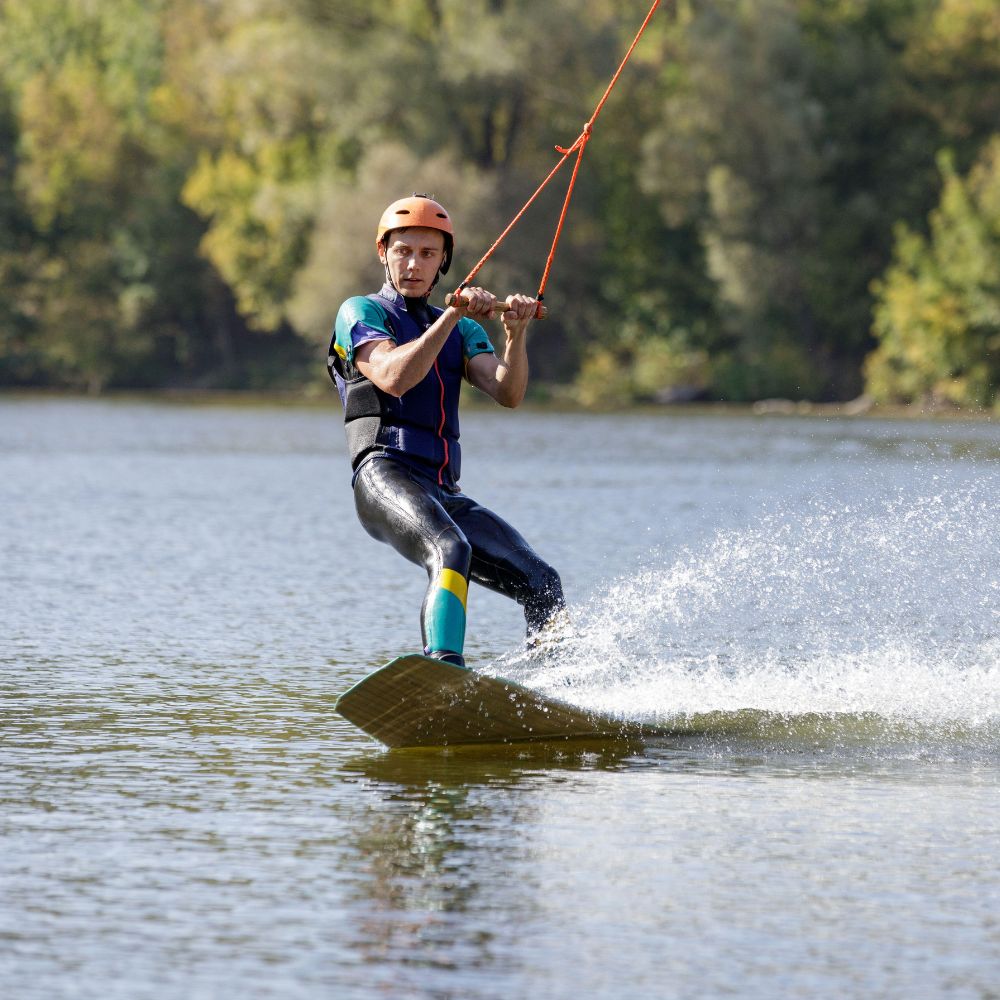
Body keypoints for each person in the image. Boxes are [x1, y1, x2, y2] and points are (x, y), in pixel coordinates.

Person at [327, 194, 565, 667]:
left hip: (442, 490)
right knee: (450, 548)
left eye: (428, 253)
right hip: (383, 475)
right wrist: (454, 314)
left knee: (543, 581)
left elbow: (508, 391)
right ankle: (443, 666)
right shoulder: (360, 312)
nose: (414, 264)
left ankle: (552, 680)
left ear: (443, 261)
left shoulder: (459, 330)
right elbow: (394, 376)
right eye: (403, 251)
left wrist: (515, 335)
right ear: (383, 252)